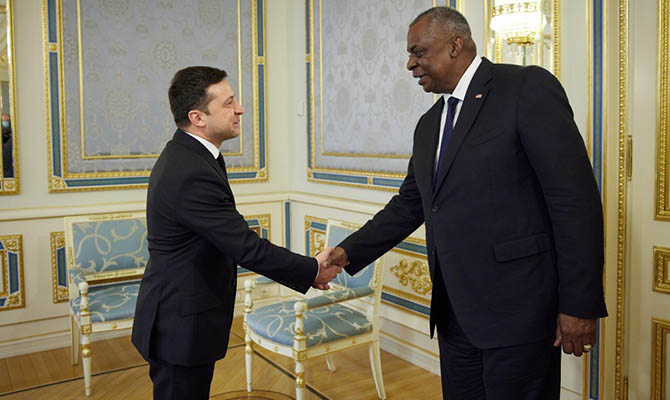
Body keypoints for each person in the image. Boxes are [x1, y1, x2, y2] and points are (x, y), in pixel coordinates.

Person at [326, 7, 607, 399]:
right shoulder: (429, 125)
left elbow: (574, 201)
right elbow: (410, 205)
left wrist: (579, 303)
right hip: (454, 315)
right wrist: (346, 252)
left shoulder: (525, 89)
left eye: (418, 52)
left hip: (519, 314)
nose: (410, 64)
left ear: (455, 45)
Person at [131, 66, 341, 399]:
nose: (240, 109)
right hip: (180, 323)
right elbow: (246, 246)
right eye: (228, 103)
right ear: (198, 117)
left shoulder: (193, 156)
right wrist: (311, 269)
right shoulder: (189, 170)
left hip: (184, 316)